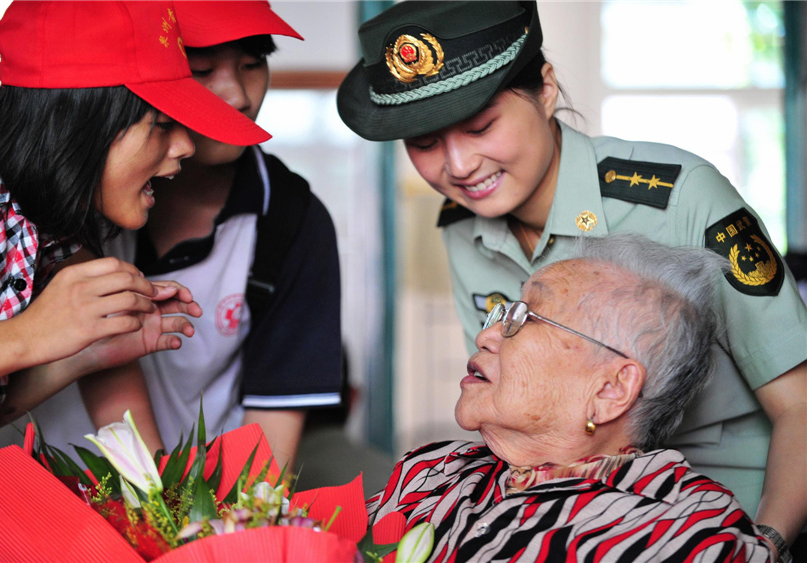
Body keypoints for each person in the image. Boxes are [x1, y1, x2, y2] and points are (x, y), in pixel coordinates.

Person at [337, 0, 806, 556]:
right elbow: (506, 407)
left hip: (733, 516)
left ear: (546, 89)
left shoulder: (679, 197)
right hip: (574, 523)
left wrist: (767, 543)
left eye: (481, 126)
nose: (458, 166)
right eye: (425, 143)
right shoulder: (463, 227)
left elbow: (799, 404)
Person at [0, 1, 271, 558]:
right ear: (82, 118)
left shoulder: (44, 223)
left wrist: (81, 355)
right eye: (163, 125)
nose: (185, 149)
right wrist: (30, 334)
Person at [23, 0, 343, 470]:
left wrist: (211, 530)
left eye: (253, 63)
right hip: (37, 503)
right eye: (201, 69)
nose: (238, 96)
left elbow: (270, 440)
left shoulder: (290, 219)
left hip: (196, 511)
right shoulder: (59, 202)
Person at [367, 234, 776, 562]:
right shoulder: (430, 472)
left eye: (525, 318)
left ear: (610, 389)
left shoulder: (685, 534)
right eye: (504, 314)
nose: (486, 335)